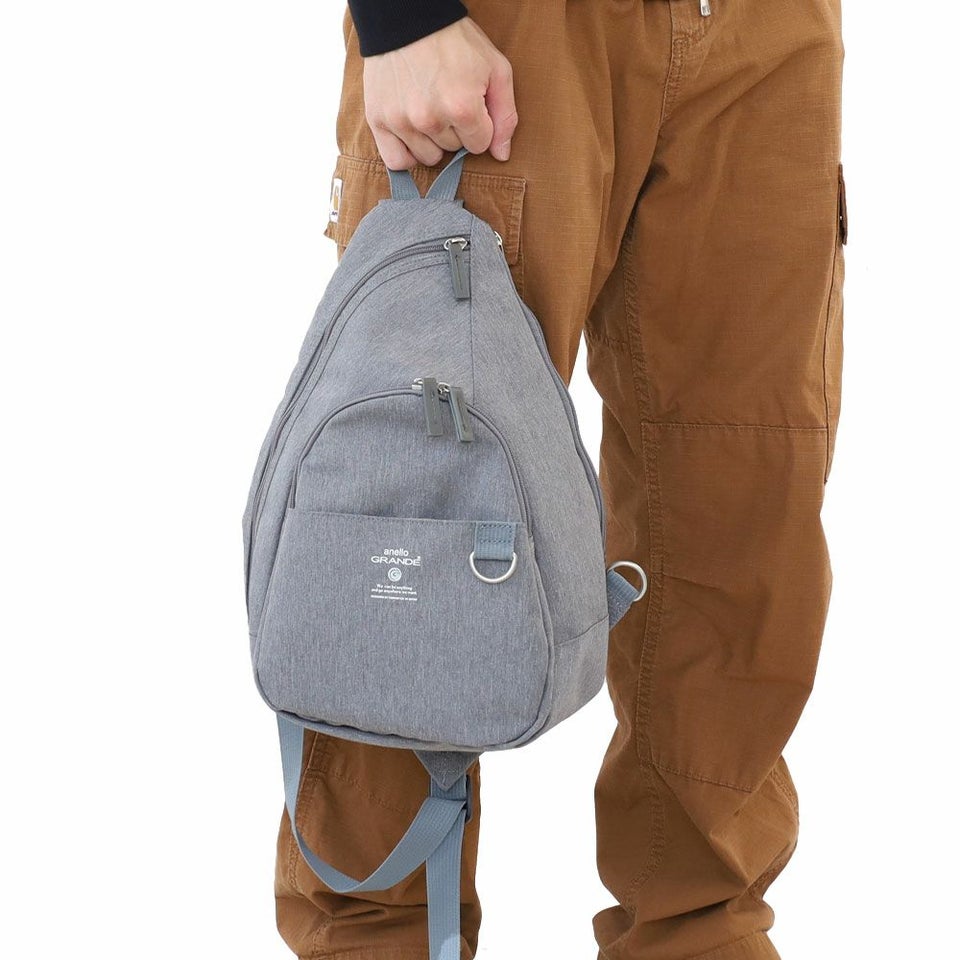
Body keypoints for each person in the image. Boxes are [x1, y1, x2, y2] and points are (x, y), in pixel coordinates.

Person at [275, 1, 847, 958]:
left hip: (765, 33)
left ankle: (698, 939)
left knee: (744, 507)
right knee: (409, 520)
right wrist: (402, 14)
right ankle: (378, 941)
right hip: (504, 28)